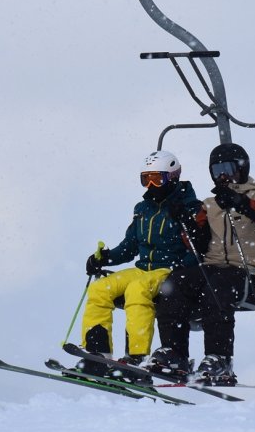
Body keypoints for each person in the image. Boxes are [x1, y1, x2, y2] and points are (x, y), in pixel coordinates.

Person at [147, 143, 255, 385]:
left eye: (229, 169)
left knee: (218, 288)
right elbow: (196, 243)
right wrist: (185, 221)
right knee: (175, 284)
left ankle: (219, 358)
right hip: (213, 266)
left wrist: (242, 203)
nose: (223, 176)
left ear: (242, 169)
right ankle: (174, 354)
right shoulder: (210, 205)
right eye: (218, 170)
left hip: (249, 270)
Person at [76, 150, 203, 378]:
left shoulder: (190, 207)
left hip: (169, 269)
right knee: (99, 288)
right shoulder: (142, 209)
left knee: (138, 290)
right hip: (142, 268)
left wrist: (183, 268)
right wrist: (105, 258)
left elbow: (198, 247)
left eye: (157, 178)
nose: (152, 185)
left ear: (172, 177)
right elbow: (130, 246)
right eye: (146, 179)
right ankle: (98, 353)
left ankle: (136, 356)